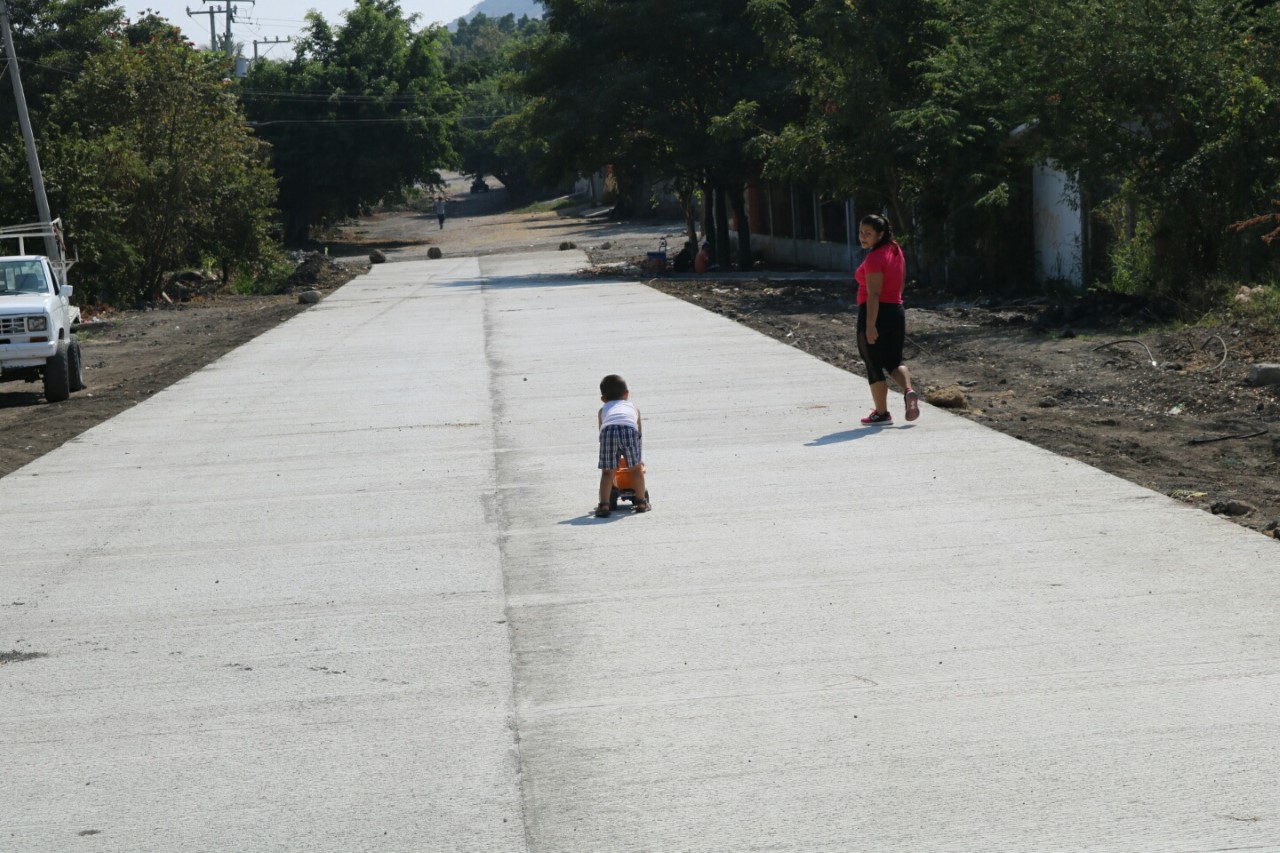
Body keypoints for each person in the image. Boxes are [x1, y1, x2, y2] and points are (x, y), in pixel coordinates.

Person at [854, 214, 919, 425]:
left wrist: (871, 325)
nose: (863, 237)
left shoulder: (874, 258)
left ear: (880, 234)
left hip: (874, 312)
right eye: (861, 232)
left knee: (873, 364)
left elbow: (873, 294)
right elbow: (901, 277)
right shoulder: (894, 248)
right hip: (896, 310)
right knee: (893, 361)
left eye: (868, 234)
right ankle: (908, 390)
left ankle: (881, 413)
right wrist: (896, 300)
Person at [595, 374, 649, 517]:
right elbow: (639, 434)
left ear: (603, 399)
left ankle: (604, 505)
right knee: (636, 469)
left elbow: (601, 433)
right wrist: (638, 457)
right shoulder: (634, 408)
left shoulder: (602, 410)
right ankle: (641, 501)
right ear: (627, 394)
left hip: (609, 432)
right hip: (628, 430)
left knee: (607, 472)